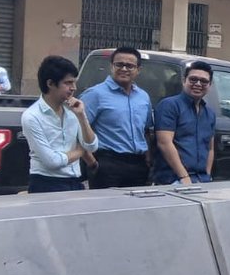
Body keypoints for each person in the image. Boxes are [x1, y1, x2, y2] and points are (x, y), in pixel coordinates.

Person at [21, 55, 99, 193]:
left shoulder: (73, 109)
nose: (73, 88)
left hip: (75, 180)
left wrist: (81, 116)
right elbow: (52, 161)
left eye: (74, 82)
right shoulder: (32, 116)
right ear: (50, 84)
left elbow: (92, 146)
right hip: (46, 182)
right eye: (68, 83)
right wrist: (80, 151)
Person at [81, 46, 153, 189]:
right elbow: (77, 130)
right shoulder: (95, 94)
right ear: (111, 66)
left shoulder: (143, 97)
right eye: (119, 64)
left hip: (138, 165)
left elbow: (146, 131)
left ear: (138, 70)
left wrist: (148, 159)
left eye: (130, 66)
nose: (124, 69)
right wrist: (92, 163)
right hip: (107, 163)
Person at [152, 61, 216, 185]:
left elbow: (210, 148)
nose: (198, 84)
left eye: (203, 81)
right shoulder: (170, 106)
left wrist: (207, 175)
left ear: (210, 85)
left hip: (201, 180)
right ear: (184, 81)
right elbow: (164, 143)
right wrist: (184, 176)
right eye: (193, 79)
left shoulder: (209, 113)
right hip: (174, 180)